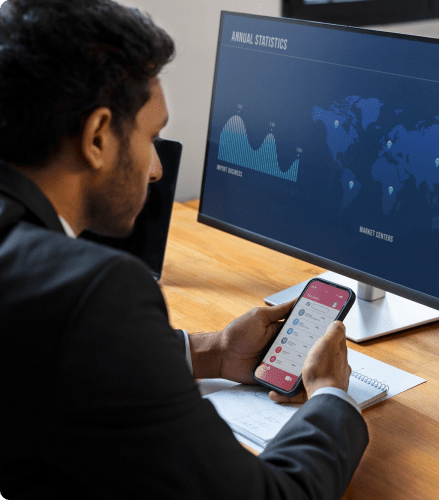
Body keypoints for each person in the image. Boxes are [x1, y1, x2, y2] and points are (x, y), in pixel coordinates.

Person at [0, 1, 368, 499]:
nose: (155, 169)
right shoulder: (91, 291)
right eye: (152, 136)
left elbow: (55, 361)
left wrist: (211, 353)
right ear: (98, 137)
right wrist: (331, 397)